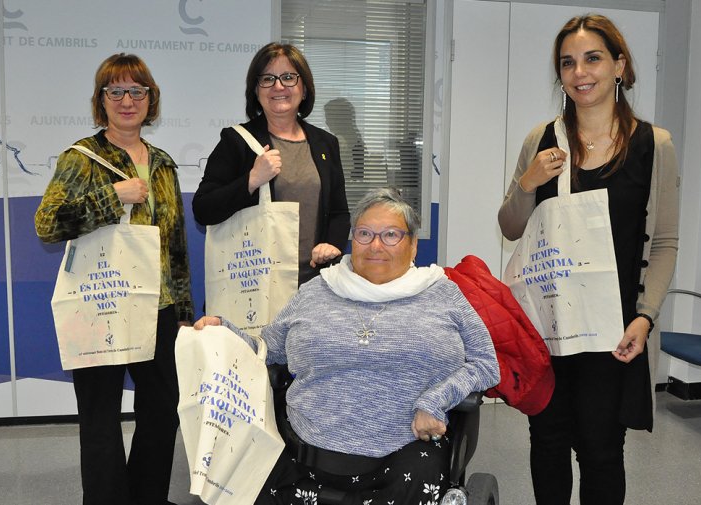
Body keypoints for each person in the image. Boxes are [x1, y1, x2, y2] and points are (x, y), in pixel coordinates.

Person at [195, 188, 500, 505]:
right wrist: (223, 330)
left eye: (391, 235)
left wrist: (436, 400)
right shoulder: (318, 290)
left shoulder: (443, 294)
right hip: (304, 445)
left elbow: (485, 364)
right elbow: (266, 350)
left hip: (405, 447)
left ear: (412, 246)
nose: (376, 245)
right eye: (365, 234)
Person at [498, 14, 679, 505]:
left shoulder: (652, 145)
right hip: (549, 325)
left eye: (593, 58)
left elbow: (664, 242)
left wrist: (646, 317)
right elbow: (510, 227)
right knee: (549, 441)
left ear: (620, 65)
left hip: (613, 328)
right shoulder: (541, 139)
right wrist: (528, 182)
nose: (580, 72)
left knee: (601, 450)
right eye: (568, 63)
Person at [35, 53, 193, 505]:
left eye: (137, 91)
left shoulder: (162, 162)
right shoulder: (81, 157)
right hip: (100, 305)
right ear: (101, 100)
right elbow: (47, 224)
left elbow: (175, 244)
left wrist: (184, 314)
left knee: (162, 412)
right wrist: (112, 196)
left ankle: (147, 497)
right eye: (116, 91)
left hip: (158, 308)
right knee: (101, 418)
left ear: (151, 99)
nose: (127, 100)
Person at [193, 42, 350, 286]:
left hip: (314, 285)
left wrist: (333, 244)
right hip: (256, 284)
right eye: (267, 79)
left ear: (304, 88)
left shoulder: (326, 143)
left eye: (288, 77)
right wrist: (252, 180)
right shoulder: (236, 141)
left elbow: (339, 212)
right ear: (256, 91)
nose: (278, 86)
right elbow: (203, 210)